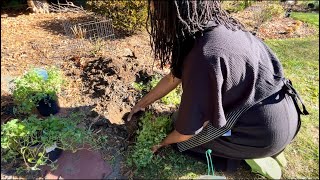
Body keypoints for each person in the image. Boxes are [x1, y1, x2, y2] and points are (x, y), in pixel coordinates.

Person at [127, 0, 308, 177]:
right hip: (284, 112)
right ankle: (254, 146)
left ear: (175, 13)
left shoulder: (203, 56)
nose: (157, 21)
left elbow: (186, 132)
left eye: (158, 15)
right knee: (181, 117)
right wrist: (141, 103)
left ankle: (249, 152)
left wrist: (161, 143)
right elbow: (173, 78)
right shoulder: (219, 27)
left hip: (264, 133)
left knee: (182, 142)